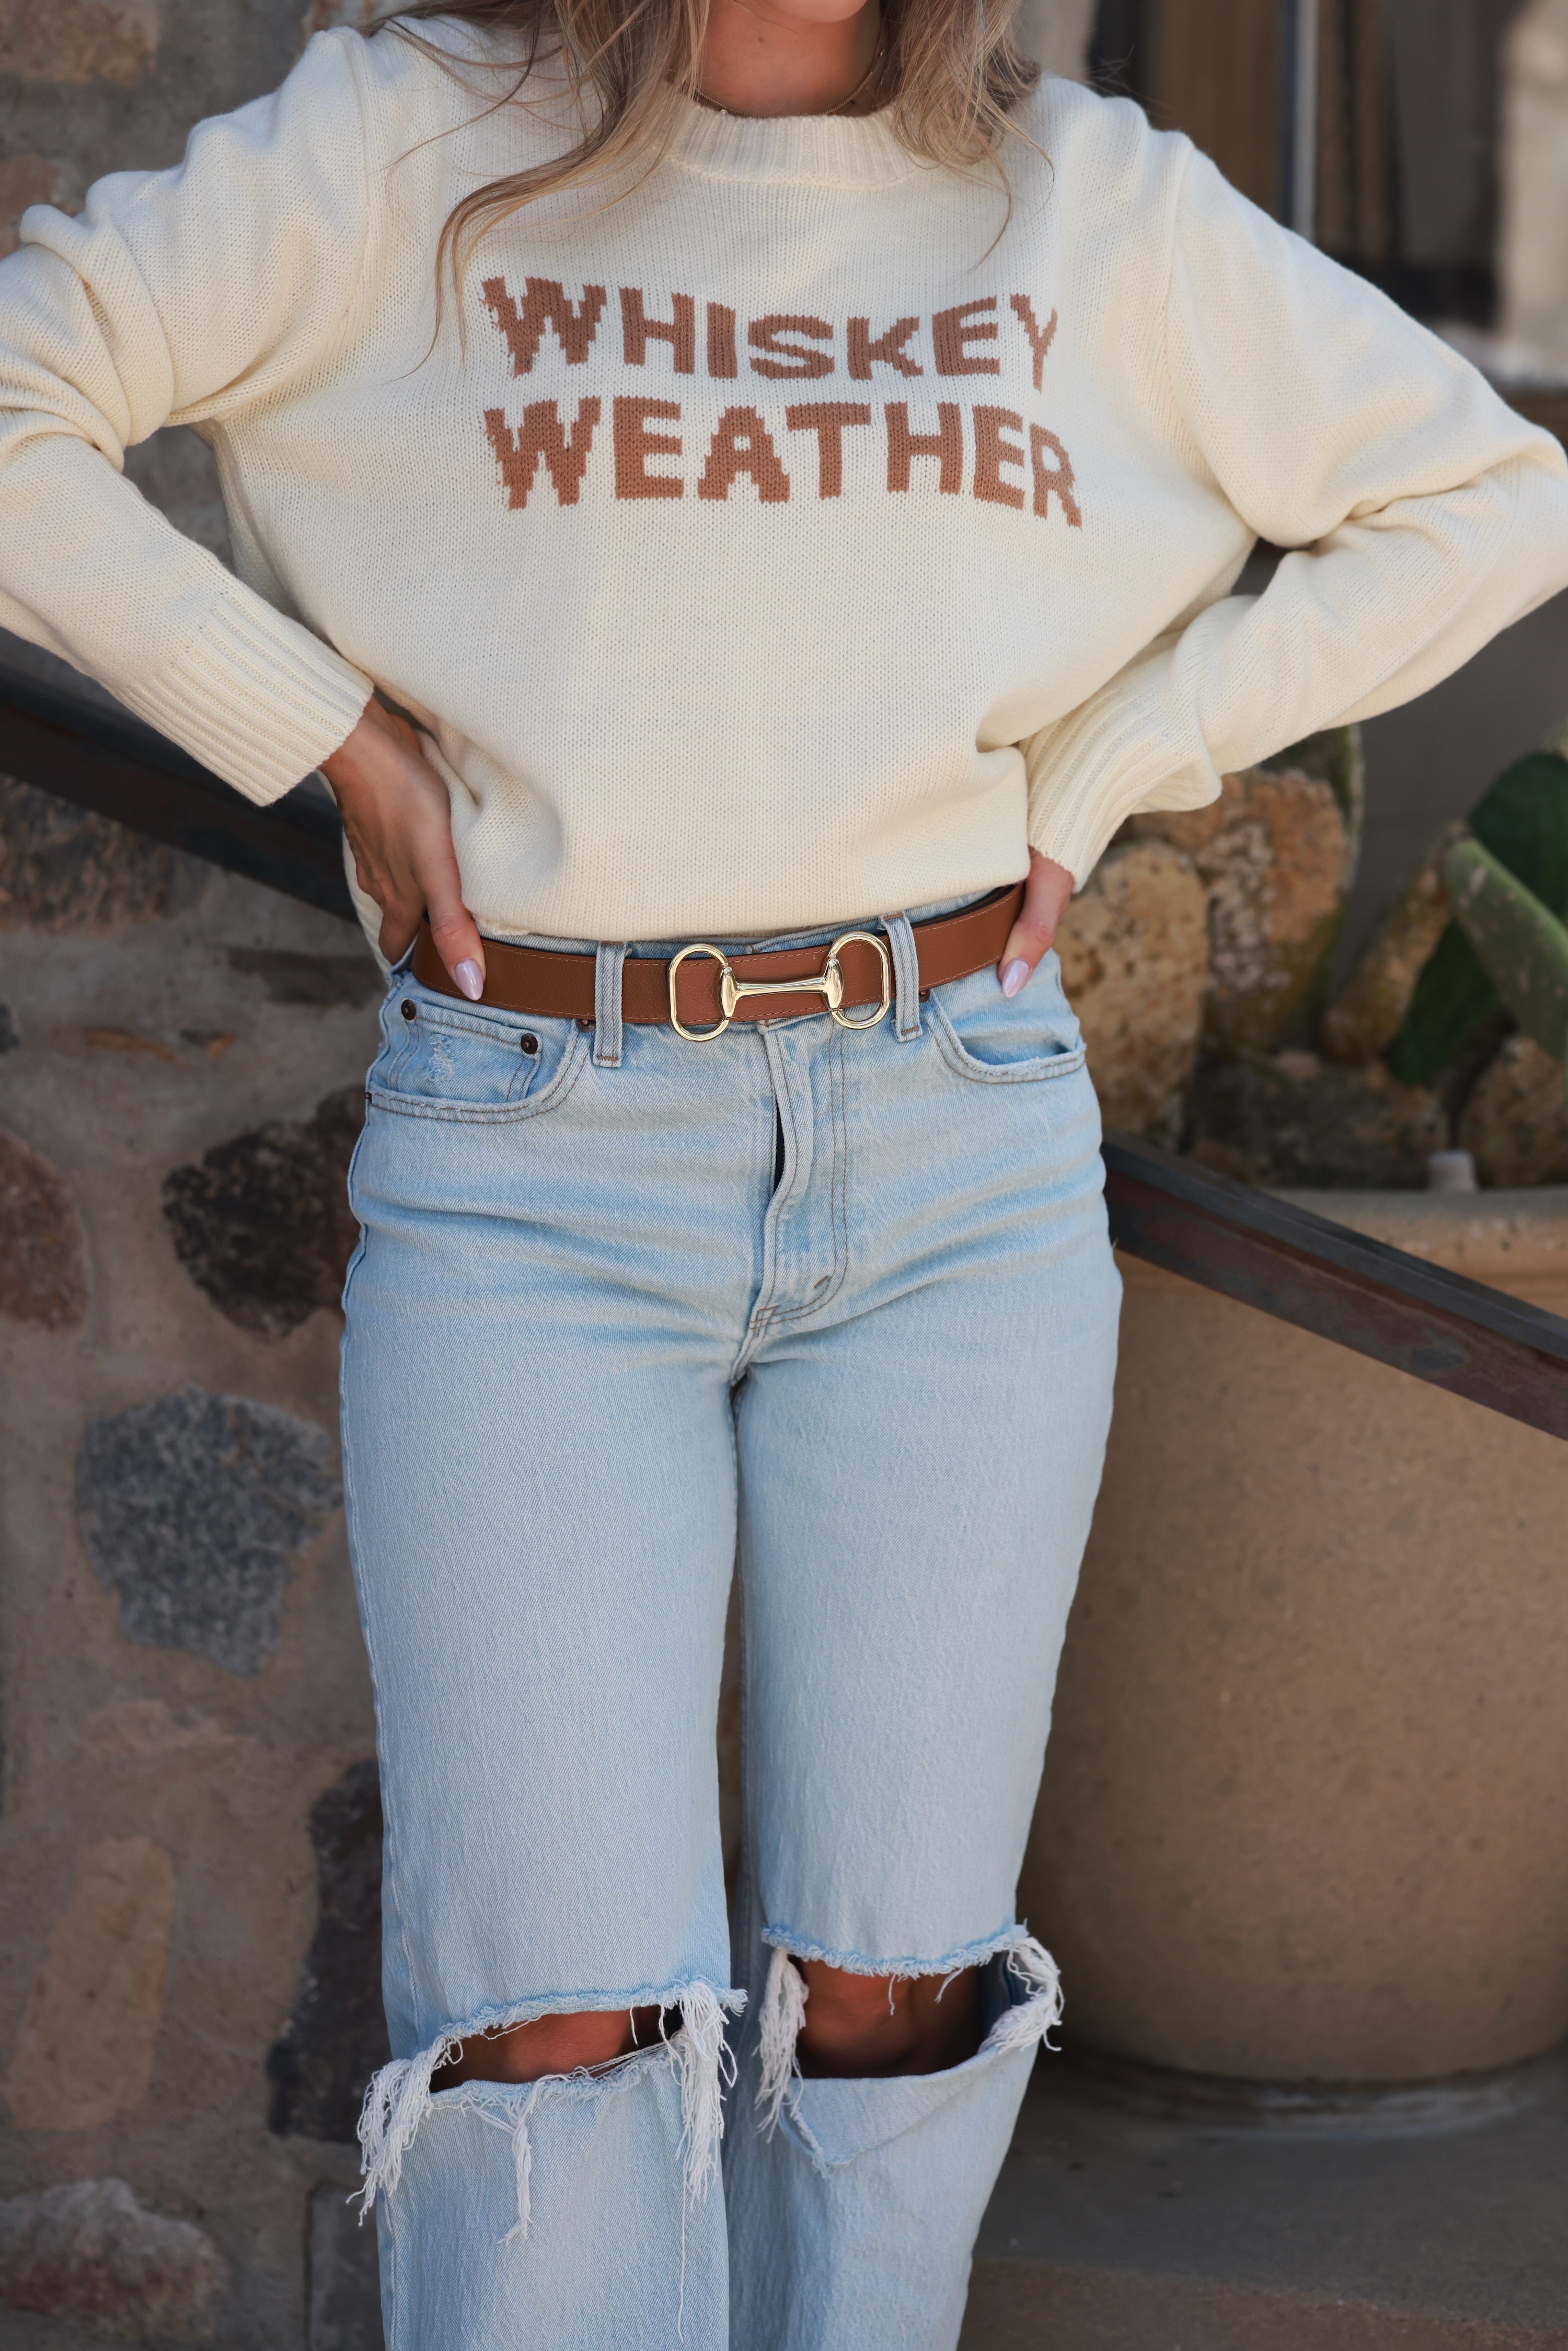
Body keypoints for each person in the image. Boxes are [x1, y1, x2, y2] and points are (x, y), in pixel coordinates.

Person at [1, 1, 1564, 2341]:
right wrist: (314, 728)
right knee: (552, 2027)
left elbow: (1496, 491)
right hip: (535, 1160)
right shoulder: (402, 137)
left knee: (892, 1992)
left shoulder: (1082, 196)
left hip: (959, 1154)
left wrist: (1145, 739)